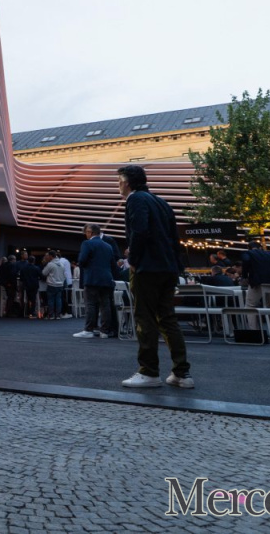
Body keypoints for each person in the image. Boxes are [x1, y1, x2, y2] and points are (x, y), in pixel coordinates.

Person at [117, 165, 191, 389]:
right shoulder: (161, 202)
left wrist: (133, 259)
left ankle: (149, 371)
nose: (118, 185)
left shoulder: (135, 199)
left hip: (147, 268)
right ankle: (181, 373)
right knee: (168, 319)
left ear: (127, 182)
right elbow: (174, 237)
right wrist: (177, 266)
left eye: (119, 181)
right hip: (168, 268)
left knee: (145, 318)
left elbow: (139, 230)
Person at [76, 224, 117, 339]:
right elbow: (113, 264)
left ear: (90, 232)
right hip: (107, 279)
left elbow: (82, 260)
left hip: (92, 278)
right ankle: (105, 331)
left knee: (90, 304)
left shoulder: (87, 244)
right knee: (105, 305)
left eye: (86, 232)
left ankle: (89, 330)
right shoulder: (108, 246)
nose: (86, 234)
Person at [239, 240, 270, 339]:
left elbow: (246, 261)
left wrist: (244, 276)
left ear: (249, 248)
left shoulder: (248, 253)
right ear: (261, 247)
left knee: (250, 305)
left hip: (258, 282)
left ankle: (255, 332)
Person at [43, 251, 67, 320]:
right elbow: (64, 275)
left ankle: (51, 315)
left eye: (48, 256)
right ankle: (58, 315)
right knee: (58, 300)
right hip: (60, 284)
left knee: (51, 300)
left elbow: (44, 273)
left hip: (52, 284)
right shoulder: (61, 264)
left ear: (51, 256)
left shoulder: (50, 264)